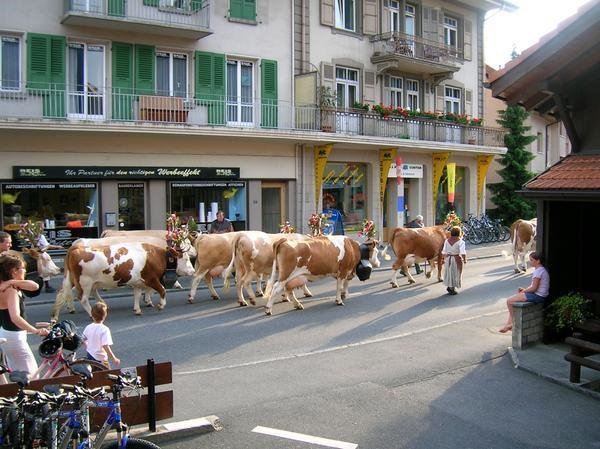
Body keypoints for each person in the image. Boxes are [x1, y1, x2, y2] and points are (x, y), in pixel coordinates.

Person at [0, 254, 49, 378]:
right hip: (14, 337)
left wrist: (12, 281)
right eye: (22, 268)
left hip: (11, 334)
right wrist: (35, 330)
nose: (25, 270)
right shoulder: (10, 290)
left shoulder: (11, 285)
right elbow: (15, 317)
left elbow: (35, 286)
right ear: (14, 271)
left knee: (21, 375)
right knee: (31, 376)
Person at [499, 252, 549, 333]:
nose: (530, 262)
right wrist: (524, 290)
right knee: (512, 301)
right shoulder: (541, 270)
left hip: (538, 296)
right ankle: (508, 325)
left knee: (509, 301)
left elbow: (534, 288)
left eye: (532, 260)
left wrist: (524, 291)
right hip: (540, 294)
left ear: (538, 261)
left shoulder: (538, 271)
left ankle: (512, 323)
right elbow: (534, 286)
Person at [83, 302, 120, 369]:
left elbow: (83, 339)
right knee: (106, 376)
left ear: (92, 315)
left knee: (93, 375)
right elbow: (105, 346)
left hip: (90, 356)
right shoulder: (104, 329)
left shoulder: (88, 327)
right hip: (101, 358)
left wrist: (87, 347)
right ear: (105, 315)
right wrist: (114, 358)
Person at [35, 221, 62, 293]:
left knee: (43, 271)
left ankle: (44, 285)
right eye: (43, 226)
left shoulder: (33, 235)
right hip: (41, 254)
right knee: (46, 270)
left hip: (36, 253)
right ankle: (46, 286)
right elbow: (46, 246)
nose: (44, 227)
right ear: (40, 228)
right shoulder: (40, 236)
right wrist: (57, 247)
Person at [442, 226, 467, 295]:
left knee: (449, 273)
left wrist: (444, 259)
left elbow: (444, 251)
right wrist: (464, 259)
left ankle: (449, 286)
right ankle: (452, 288)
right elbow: (463, 252)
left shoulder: (447, 241)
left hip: (448, 258)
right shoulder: (461, 242)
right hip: (456, 258)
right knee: (456, 273)